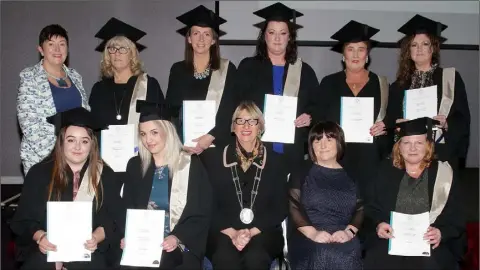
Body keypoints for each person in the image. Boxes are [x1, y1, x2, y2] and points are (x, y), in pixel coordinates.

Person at [10, 107, 124, 270]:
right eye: (71, 140)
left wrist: (97, 236)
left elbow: (115, 220)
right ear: (61, 141)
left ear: (92, 144)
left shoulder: (105, 175)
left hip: (90, 251)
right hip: (47, 248)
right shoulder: (39, 173)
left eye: (84, 141)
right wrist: (41, 237)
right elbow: (23, 221)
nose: (78, 147)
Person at [120, 100, 212, 269]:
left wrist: (177, 237)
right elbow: (128, 207)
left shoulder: (190, 164)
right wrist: (129, 235)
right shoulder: (135, 165)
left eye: (154, 132)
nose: (148, 139)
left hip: (180, 244)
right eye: (143, 134)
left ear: (168, 131)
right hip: (144, 244)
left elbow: (201, 211)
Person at [364, 117, 465, 270]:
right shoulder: (384, 170)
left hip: (429, 241)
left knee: (429, 263)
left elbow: (456, 215)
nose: (412, 148)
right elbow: (370, 207)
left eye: (419, 143)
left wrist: (440, 232)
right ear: (399, 147)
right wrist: (379, 224)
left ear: (428, 146)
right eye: (406, 143)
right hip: (392, 238)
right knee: (379, 259)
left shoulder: (443, 173)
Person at [200, 101, 289, 270]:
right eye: (240, 121)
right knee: (225, 257)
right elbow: (205, 202)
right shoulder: (211, 158)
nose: (246, 126)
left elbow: (280, 207)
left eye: (252, 121)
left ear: (260, 127)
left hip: (263, 231)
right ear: (233, 127)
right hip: (222, 231)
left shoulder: (277, 161)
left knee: (255, 257)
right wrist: (233, 233)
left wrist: (251, 232)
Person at [234, 2, 320, 169]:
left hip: (292, 151)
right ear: (264, 36)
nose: (277, 38)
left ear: (290, 37)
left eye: (283, 33)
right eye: (272, 32)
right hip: (255, 149)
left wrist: (310, 117)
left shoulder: (304, 71)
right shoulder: (248, 68)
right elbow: (236, 104)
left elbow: (318, 106)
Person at [317, 20, 391, 205]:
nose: (356, 54)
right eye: (350, 49)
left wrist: (385, 128)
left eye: (361, 49)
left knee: (368, 213)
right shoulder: (328, 83)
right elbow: (318, 122)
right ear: (343, 55)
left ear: (367, 54)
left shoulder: (382, 85)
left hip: (370, 161)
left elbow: (391, 121)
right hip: (338, 160)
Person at [387, 14, 470, 169]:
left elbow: (462, 117)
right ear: (408, 51)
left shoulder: (450, 78)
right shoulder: (398, 85)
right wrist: (396, 123)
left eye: (425, 44)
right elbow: (390, 121)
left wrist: (447, 123)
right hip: (407, 155)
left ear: (433, 48)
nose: (419, 49)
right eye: (414, 45)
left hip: (440, 152)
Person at [288, 121, 363, 270]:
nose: (323, 145)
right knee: (323, 253)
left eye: (329, 140)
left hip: (343, 233)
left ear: (339, 142)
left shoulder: (352, 173)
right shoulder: (301, 171)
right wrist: (313, 233)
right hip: (307, 235)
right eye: (317, 140)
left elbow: (360, 208)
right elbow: (293, 206)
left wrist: (349, 232)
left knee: (349, 253)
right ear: (311, 145)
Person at [17, 24, 89, 175]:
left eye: (62, 44)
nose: (57, 49)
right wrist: (59, 156)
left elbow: (85, 115)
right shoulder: (30, 77)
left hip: (77, 158)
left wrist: (80, 151)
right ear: (41, 50)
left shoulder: (75, 76)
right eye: (51, 44)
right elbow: (29, 124)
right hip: (44, 159)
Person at [89, 17, 164, 157]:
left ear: (132, 54)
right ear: (107, 54)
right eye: (112, 48)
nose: (117, 53)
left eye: (123, 48)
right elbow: (92, 131)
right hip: (105, 162)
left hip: (140, 160)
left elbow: (161, 127)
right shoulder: (98, 90)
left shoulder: (149, 86)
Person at [166, 5, 237, 154]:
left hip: (218, 146)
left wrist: (211, 136)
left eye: (206, 34)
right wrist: (179, 141)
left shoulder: (227, 69)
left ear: (213, 40)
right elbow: (171, 110)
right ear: (189, 39)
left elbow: (231, 110)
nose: (201, 39)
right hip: (185, 147)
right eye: (196, 33)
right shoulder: (177, 70)